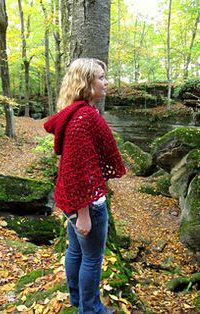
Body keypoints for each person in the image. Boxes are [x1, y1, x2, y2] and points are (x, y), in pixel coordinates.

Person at [44, 58, 126, 314]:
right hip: (87, 206)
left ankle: (78, 301)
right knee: (91, 258)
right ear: (86, 82)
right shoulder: (84, 118)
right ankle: (91, 310)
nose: (105, 82)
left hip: (76, 202)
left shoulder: (78, 113)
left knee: (76, 253)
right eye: (101, 77)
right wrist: (83, 215)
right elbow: (79, 170)